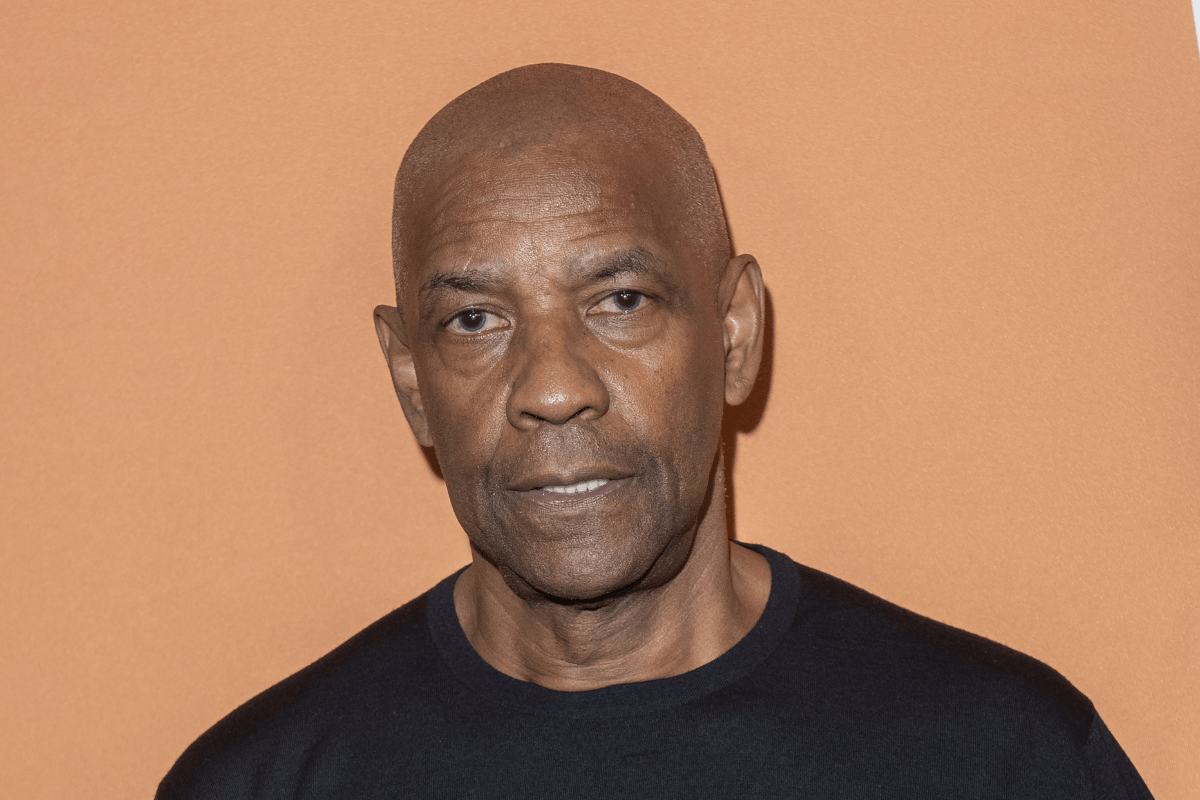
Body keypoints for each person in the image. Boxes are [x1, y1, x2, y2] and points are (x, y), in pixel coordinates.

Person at [156, 63, 1153, 799]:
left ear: (734, 334)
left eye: (620, 301)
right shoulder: (258, 785)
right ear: (412, 380)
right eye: (475, 320)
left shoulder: (1002, 762)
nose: (553, 388)